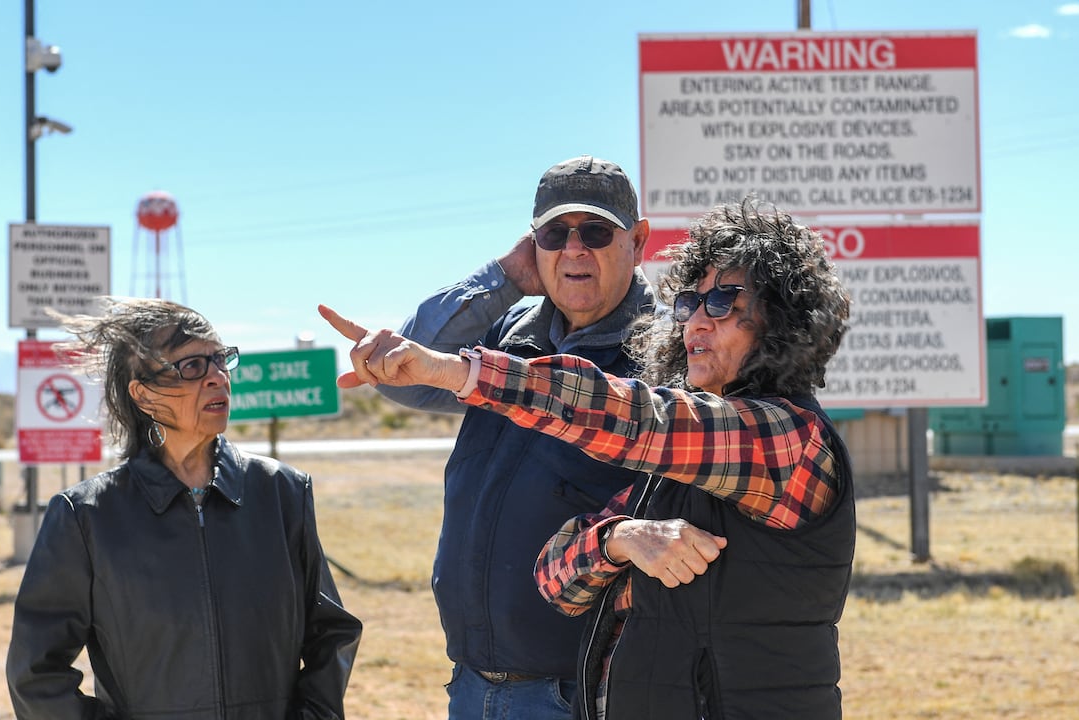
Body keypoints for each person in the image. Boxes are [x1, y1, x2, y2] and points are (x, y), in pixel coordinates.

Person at [320, 196, 856, 719]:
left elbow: (631, 417)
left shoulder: (787, 440)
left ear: (783, 321)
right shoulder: (681, 462)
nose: (695, 322)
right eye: (690, 303)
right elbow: (556, 576)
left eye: (724, 303)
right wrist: (620, 538)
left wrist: (456, 373)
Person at [371, 155, 655, 719]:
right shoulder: (506, 336)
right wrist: (504, 278)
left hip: (583, 693)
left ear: (638, 241)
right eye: (555, 233)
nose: (574, 249)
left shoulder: (662, 357)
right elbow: (404, 380)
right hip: (473, 683)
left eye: (596, 232)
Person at [6, 298, 361, 720]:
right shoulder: (86, 517)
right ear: (143, 394)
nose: (216, 378)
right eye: (192, 366)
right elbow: (36, 674)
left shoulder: (282, 492)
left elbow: (331, 633)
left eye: (220, 360)